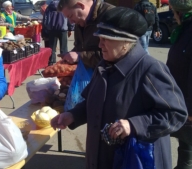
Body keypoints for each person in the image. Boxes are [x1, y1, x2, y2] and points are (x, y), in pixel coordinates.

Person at [51, 7, 188, 169]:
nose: (99, 44)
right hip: (100, 159)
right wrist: (72, 115)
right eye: (99, 38)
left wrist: (135, 125)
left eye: (105, 39)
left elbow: (176, 114)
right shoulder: (103, 66)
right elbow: (91, 102)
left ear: (125, 43)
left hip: (136, 160)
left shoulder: (150, 70)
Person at [166, 0, 192, 168]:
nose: (173, 16)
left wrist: (190, 109)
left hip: (188, 103)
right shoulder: (184, 29)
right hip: (182, 97)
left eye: (174, 11)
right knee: (185, 144)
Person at [57, 0, 114, 69]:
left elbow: (112, 55)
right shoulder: (80, 21)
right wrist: (70, 55)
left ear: (80, 5)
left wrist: (80, 56)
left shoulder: (110, 15)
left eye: (71, 16)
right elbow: (80, 46)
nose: (71, 22)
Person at [41, 0, 74, 66]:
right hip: (63, 29)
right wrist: (70, 28)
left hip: (52, 30)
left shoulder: (50, 6)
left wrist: (47, 28)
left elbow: (45, 19)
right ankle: (65, 63)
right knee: (64, 48)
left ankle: (51, 63)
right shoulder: (64, 5)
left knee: (52, 48)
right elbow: (69, 17)